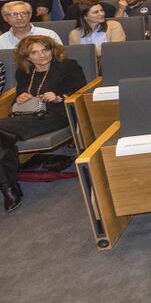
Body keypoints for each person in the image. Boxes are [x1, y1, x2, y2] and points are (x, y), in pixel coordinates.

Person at [0, 36, 86, 212]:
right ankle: (8, 185)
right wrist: (21, 96)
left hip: (56, 114)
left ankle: (9, 187)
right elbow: (21, 92)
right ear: (27, 57)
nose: (41, 55)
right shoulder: (24, 72)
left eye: (44, 50)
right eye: (34, 52)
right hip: (25, 116)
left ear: (52, 50)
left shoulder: (68, 66)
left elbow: (81, 90)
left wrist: (59, 96)